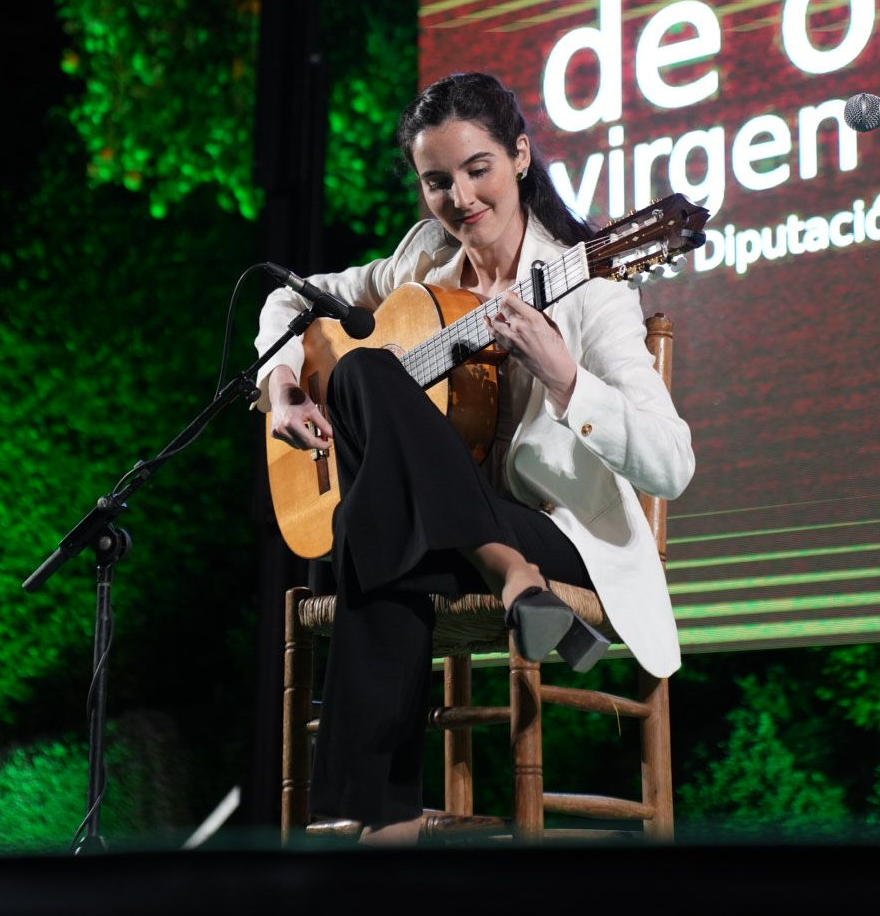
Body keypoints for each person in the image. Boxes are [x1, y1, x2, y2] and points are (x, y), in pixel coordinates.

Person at [256, 72, 694, 844]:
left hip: (555, 541)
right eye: (436, 181)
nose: (459, 198)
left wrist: (564, 374)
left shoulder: (593, 291)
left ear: (520, 156)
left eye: (477, 168)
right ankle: (504, 577)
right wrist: (284, 384)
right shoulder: (423, 261)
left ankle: (378, 821)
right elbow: (289, 299)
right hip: (450, 543)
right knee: (361, 383)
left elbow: (671, 466)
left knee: (376, 515)